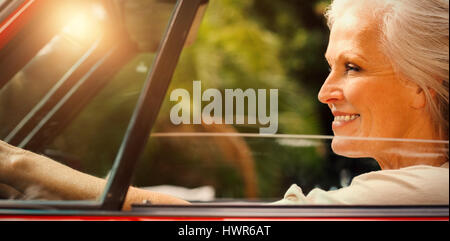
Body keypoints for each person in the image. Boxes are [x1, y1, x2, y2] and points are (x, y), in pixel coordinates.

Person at [0, 0, 448, 209]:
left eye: (352, 67)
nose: (324, 91)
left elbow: (206, 227)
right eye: (331, 67)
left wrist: (19, 164)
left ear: (419, 83)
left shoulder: (421, 193)